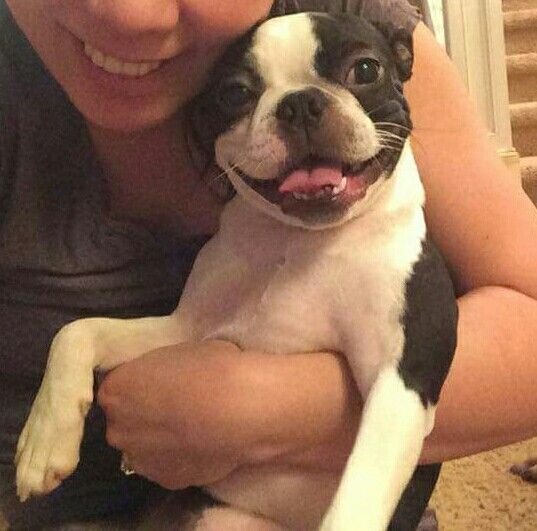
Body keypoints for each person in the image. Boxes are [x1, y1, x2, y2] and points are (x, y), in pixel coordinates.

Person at [1, 0, 536, 529]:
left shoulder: (356, 19)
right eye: (239, 93)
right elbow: (188, 330)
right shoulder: (242, 237)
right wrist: (79, 349)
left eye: (362, 73)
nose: (131, 16)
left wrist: (256, 409)